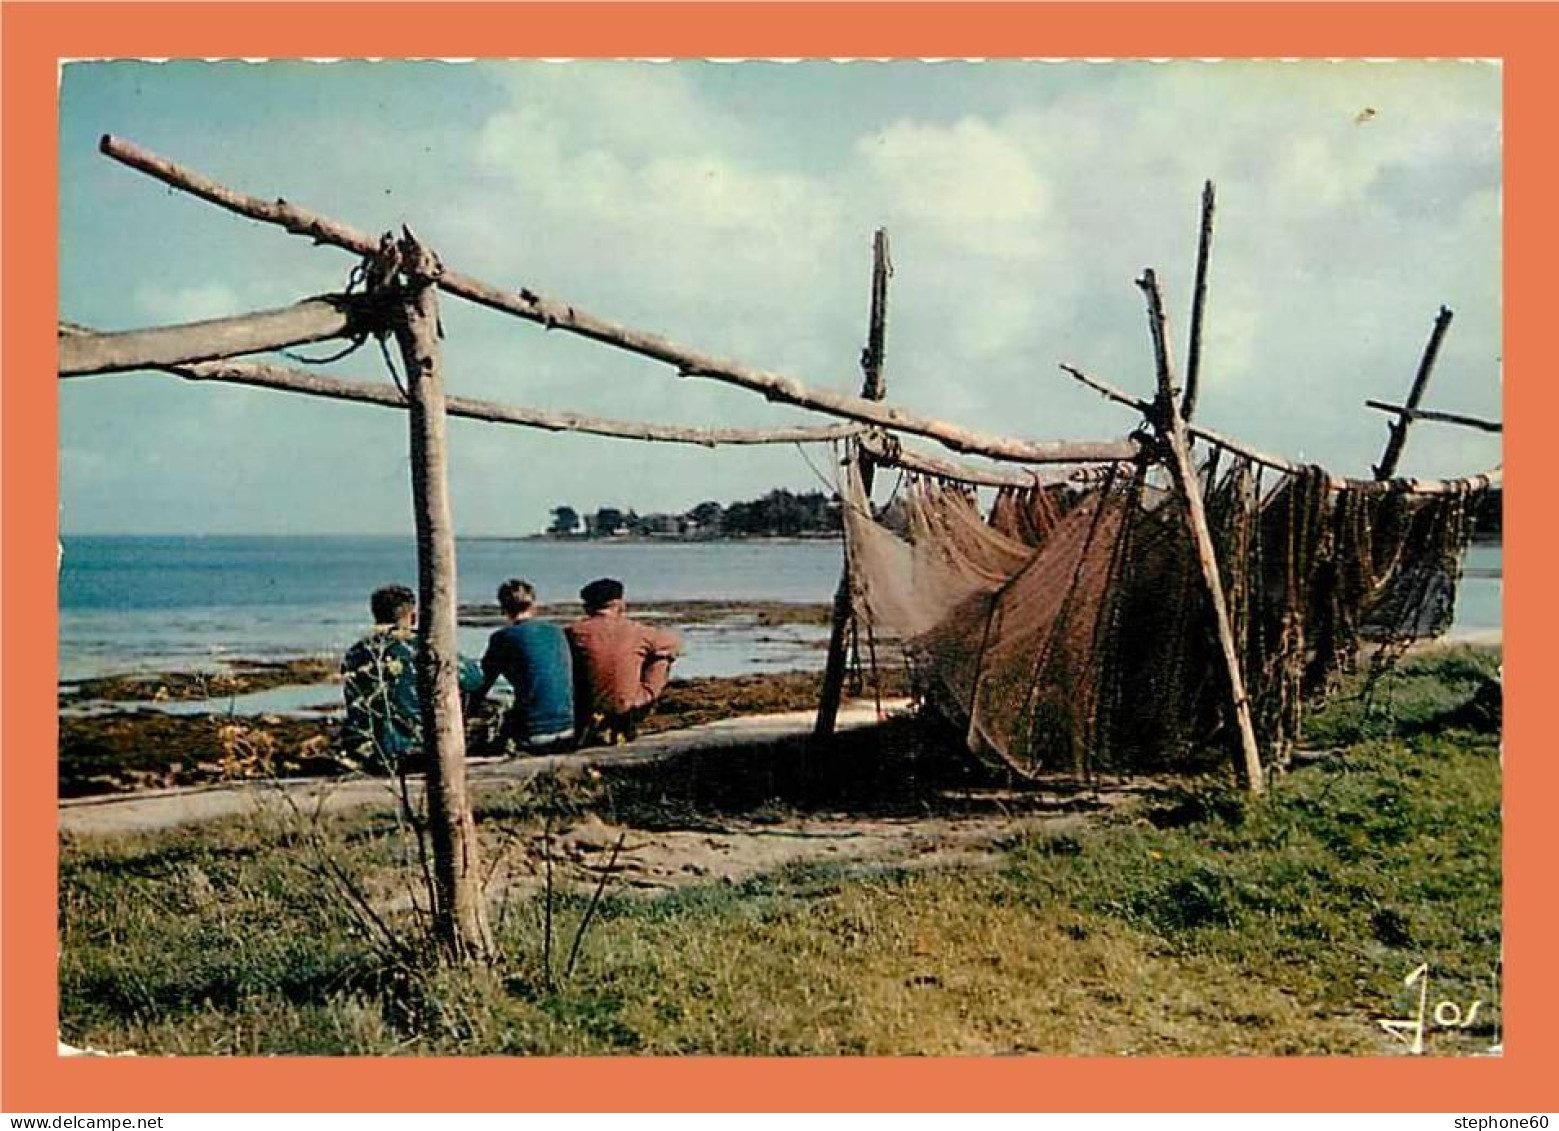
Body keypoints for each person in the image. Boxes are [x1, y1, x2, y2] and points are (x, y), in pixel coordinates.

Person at [340, 584, 482, 770]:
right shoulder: (422, 647)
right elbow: (475, 678)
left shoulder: (356, 653)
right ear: (413, 616)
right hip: (417, 747)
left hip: (365, 750)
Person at [566, 577, 682, 746]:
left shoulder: (573, 632)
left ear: (587, 608)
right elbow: (673, 644)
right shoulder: (639, 631)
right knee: (661, 657)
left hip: (585, 707)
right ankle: (639, 700)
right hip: (629, 707)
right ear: (621, 605)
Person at [466, 578, 575, 753]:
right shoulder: (557, 632)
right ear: (534, 605)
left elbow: (481, 683)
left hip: (533, 732)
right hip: (568, 726)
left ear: (503, 608)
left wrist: (467, 715)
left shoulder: (503, 638)